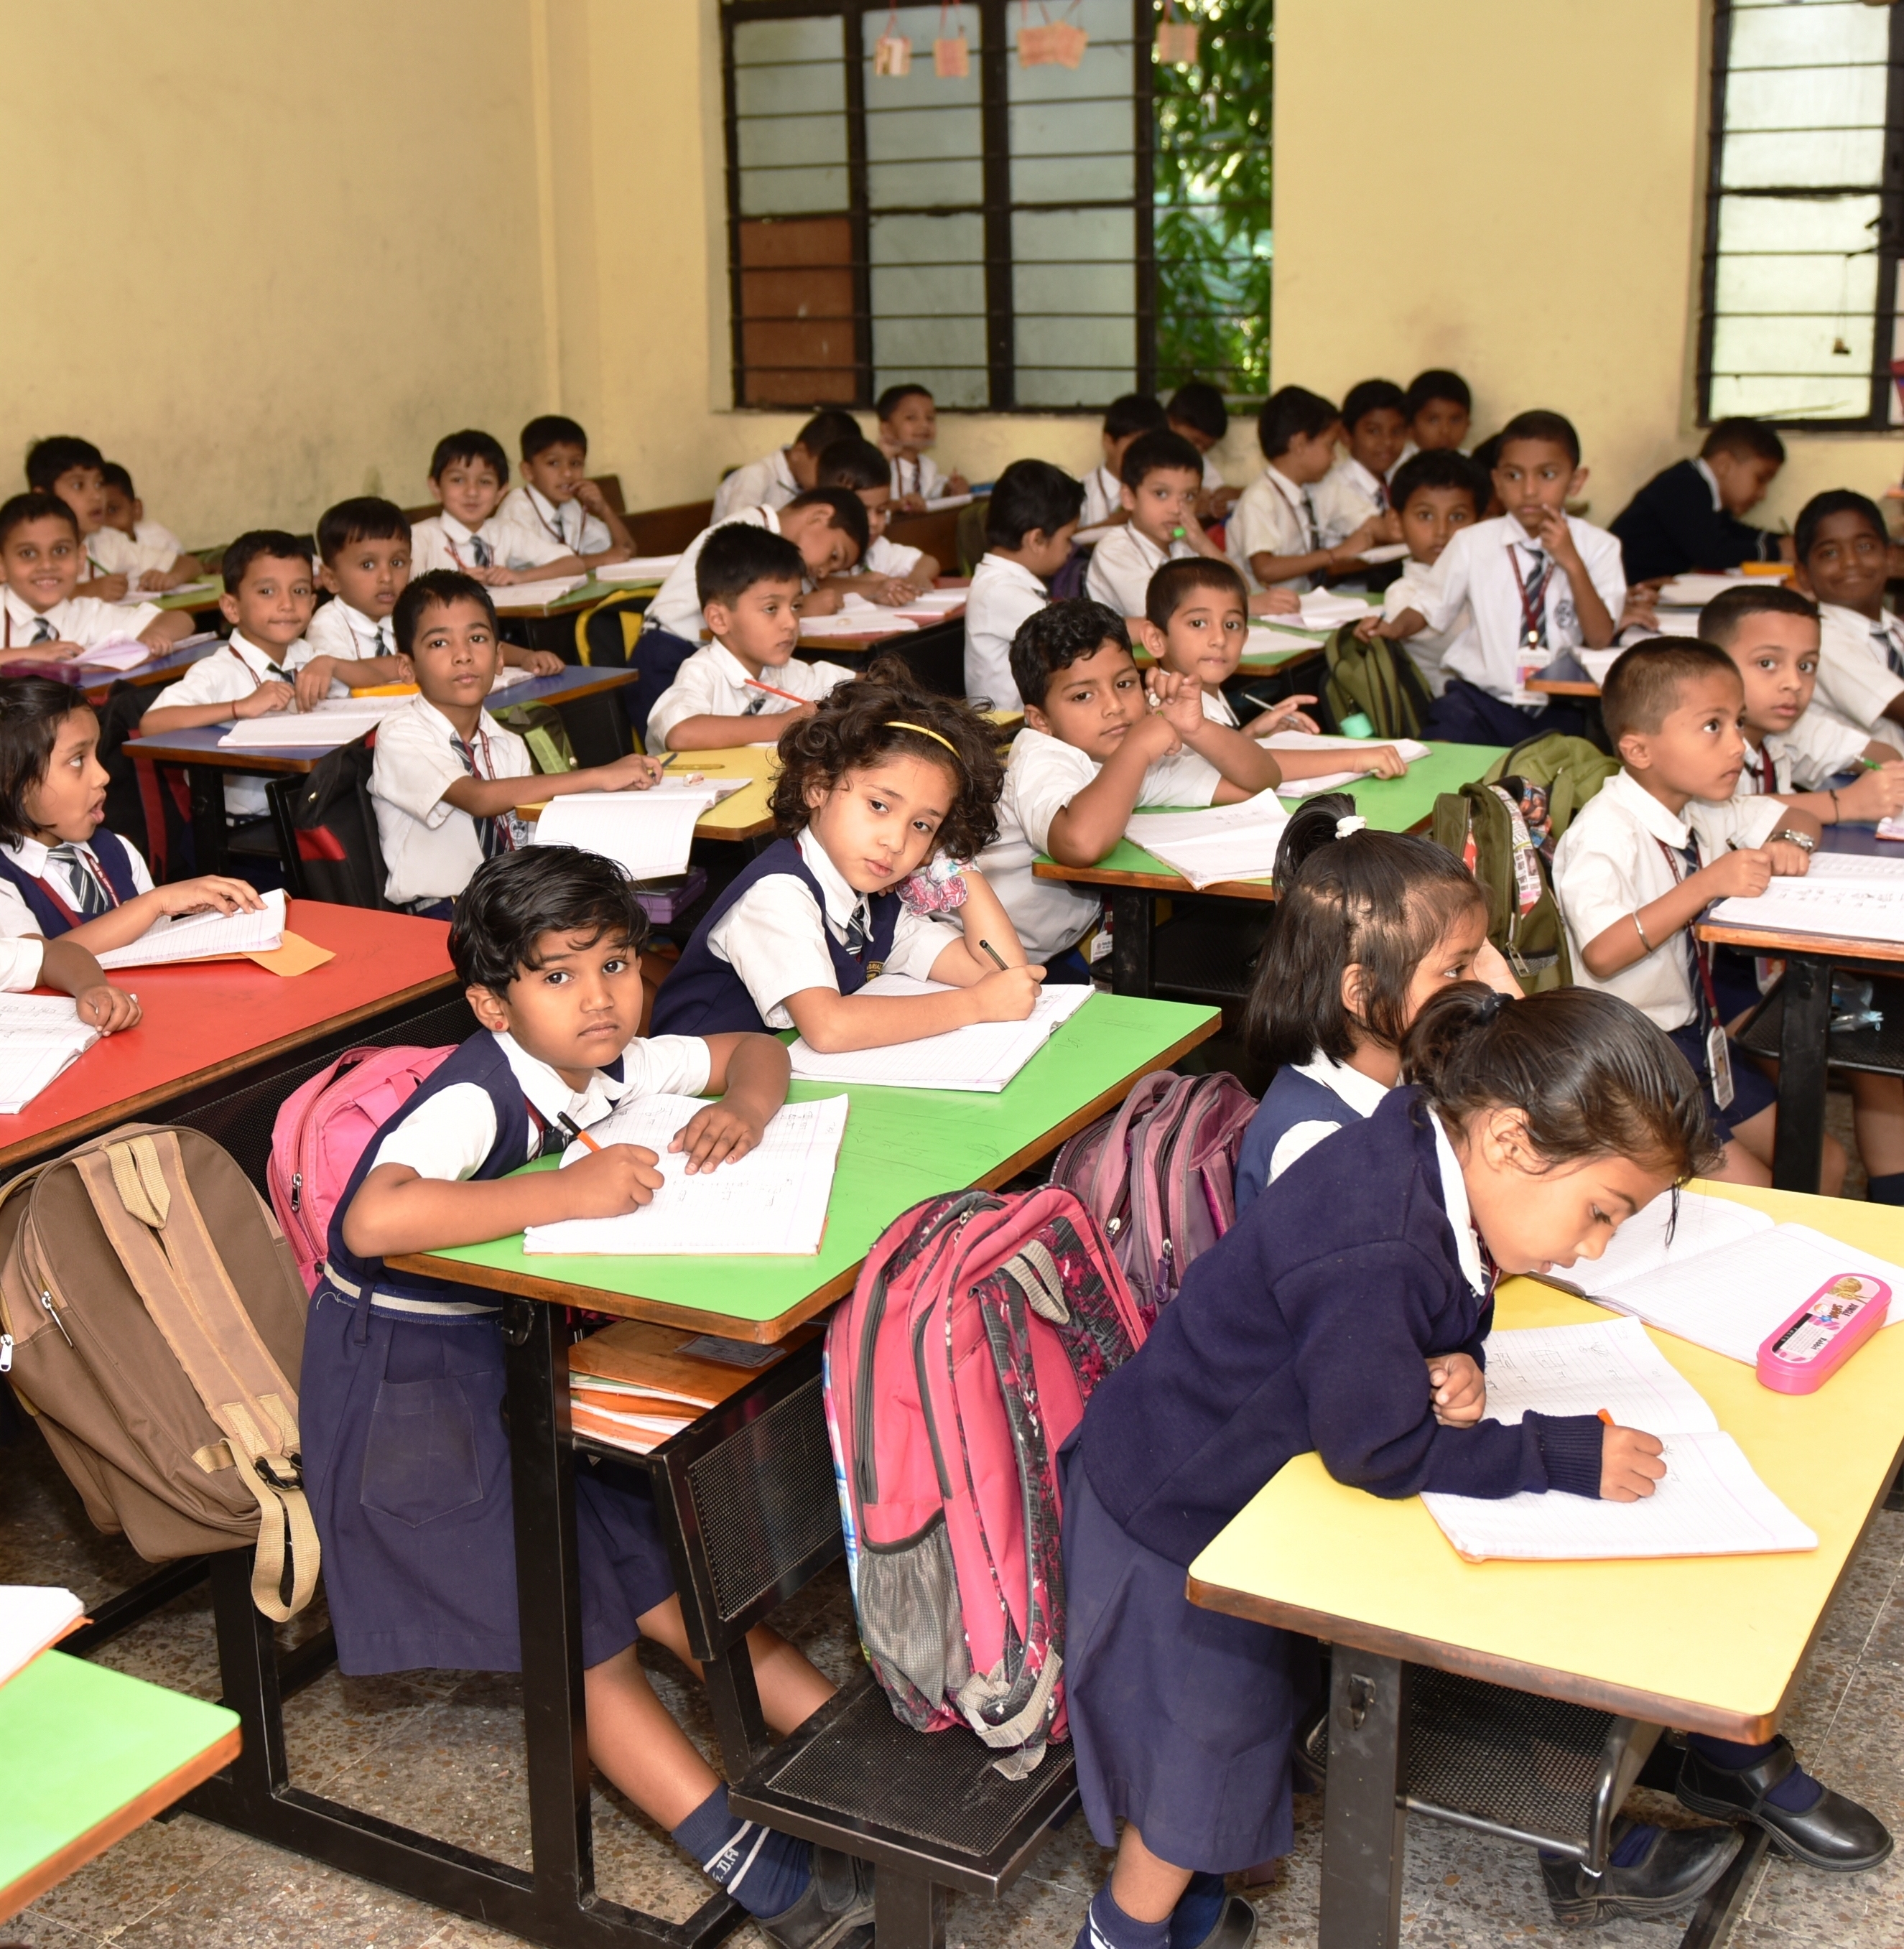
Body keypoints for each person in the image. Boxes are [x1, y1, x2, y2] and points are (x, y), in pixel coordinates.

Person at [1063, 983, 1764, 1943]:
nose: (1593, 1247)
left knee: (1240, 1730)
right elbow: (1377, 1447)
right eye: (1599, 1212)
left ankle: (1190, 1907)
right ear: (1509, 1138)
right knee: (1200, 1754)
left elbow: (1437, 1306)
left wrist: (1456, 1359)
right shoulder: (1380, 1230)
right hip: (1167, 1511)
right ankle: (1119, 1929)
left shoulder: (1425, 1151)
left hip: (1241, 1488)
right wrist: (1557, 1451)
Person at [301, 843, 873, 1949]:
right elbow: (372, 1217)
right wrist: (564, 1192)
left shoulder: (608, 1062)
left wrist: (746, 1112)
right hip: (406, 1393)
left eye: (616, 963)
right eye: (558, 975)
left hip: (515, 1360)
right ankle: (752, 1861)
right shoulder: (475, 1092)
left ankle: (862, 1770)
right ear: (493, 1004)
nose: (599, 996)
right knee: (574, 1625)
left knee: (659, 1563)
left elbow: (753, 1048)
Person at [1551, 641, 1836, 1187]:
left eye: (1738, 723)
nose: (1738, 746)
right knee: (1755, 1191)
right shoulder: (1604, 834)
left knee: (1824, 1163)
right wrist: (1706, 883)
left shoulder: (1699, 806)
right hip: (1631, 1055)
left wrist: (1792, 843)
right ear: (1639, 750)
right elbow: (1603, 953)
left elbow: (1798, 815)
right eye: (1712, 726)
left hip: (1697, 1035)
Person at [651, 661, 1037, 1045]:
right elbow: (829, 1027)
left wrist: (951, 862)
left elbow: (1003, 975)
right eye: (879, 806)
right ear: (818, 787)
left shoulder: (874, 902)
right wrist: (975, 1005)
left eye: (922, 825)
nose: (896, 842)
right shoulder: (776, 895)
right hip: (702, 1081)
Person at [1702, 585, 1904, 1207]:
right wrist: (1838, 802)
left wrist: (1865, 784)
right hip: (1715, 983)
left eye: (1807, 665)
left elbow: (1877, 753)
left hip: (1769, 961)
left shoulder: (1788, 728)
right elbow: (1723, 809)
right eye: (1767, 663)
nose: (1791, 682)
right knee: (1821, 1130)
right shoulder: (1701, 748)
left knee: (1874, 1063)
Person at [1235, 795, 1515, 1206]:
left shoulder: (1408, 1070)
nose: (1482, 989)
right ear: (1362, 993)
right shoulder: (1316, 1144)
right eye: (1456, 970)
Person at [975, 600, 1281, 974]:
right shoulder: (1041, 757)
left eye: (1124, 684)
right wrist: (1136, 749)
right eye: (1083, 696)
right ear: (1041, 721)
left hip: (1053, 952)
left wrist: (1196, 729)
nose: (1115, 707)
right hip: (980, 965)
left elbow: (1255, 783)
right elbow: (1080, 843)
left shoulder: (1120, 757)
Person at [370, 572, 664, 916]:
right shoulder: (401, 732)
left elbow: (529, 832)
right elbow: (478, 799)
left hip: (509, 902)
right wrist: (599, 776)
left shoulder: (507, 742)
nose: (463, 655)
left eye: (477, 638)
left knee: (614, 913)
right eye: (439, 643)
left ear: (499, 658)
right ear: (407, 667)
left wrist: (608, 795)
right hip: (442, 912)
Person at [1377, 410, 1625, 746]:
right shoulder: (1472, 542)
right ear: (1496, 481)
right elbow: (1428, 606)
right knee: (1441, 749)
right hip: (1478, 702)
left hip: (1561, 707)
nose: (1529, 490)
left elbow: (1600, 638)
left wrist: (1572, 564)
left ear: (1576, 480)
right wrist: (1392, 629)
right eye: (1513, 475)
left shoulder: (1599, 547)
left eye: (1547, 475)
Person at [139, 529, 384, 826]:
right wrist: (239, 707)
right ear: (232, 608)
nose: (287, 604)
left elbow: (381, 674)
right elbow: (151, 724)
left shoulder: (306, 655)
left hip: (307, 811)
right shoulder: (218, 671)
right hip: (247, 828)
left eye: (299, 591)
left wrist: (332, 664)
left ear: (312, 602)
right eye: (267, 592)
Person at [0, 674, 262, 949]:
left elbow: (155, 946)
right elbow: (37, 961)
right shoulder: (6, 881)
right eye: (77, 761)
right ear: (12, 782)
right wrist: (155, 903)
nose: (103, 776)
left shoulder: (118, 851)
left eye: (96, 755)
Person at [1140, 558, 1401, 774]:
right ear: (1155, 639)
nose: (1219, 639)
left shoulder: (1207, 693)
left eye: (1231, 625)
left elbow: (1217, 761)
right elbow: (1256, 767)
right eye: (1198, 623)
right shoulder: (1168, 704)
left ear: (1245, 637)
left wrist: (1252, 734)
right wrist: (1354, 759)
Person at [645, 526, 856, 751]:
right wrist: (784, 722)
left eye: (796, 606)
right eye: (771, 608)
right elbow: (681, 734)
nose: (791, 622)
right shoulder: (703, 672)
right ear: (719, 619)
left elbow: (855, 684)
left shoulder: (783, 671)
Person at [1357, 449, 1487, 696]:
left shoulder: (1488, 577)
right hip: (1446, 708)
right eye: (1425, 516)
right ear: (1396, 523)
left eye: (1457, 516)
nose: (1442, 531)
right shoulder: (1404, 596)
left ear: (1482, 524)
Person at [0, 492, 192, 660]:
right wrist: (27, 655)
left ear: (80, 559)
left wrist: (153, 634)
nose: (47, 565)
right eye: (28, 553)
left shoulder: (87, 615)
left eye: (60, 550)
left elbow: (182, 621)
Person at [1225, 388, 1378, 593]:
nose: (1334, 457)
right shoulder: (1260, 498)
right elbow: (1265, 569)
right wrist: (1335, 554)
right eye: (1330, 445)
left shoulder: (1305, 491)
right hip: (1263, 608)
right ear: (1299, 444)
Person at [963, 460, 1083, 710]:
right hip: (1006, 729)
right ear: (1036, 540)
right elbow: (1078, 637)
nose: (1070, 548)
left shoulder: (1002, 581)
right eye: (1068, 538)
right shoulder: (998, 591)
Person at [1609, 419, 1789, 584]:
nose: (1763, 494)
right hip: (1619, 589)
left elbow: (1732, 532)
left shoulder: (1698, 485)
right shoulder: (1684, 486)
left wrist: (1782, 541)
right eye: (1761, 479)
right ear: (1724, 466)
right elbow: (1713, 552)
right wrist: (1776, 551)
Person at [1793, 490, 1904, 739]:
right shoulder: (1819, 643)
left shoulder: (1895, 631)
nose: (1851, 562)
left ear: (1890, 558)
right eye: (1830, 553)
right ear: (1804, 575)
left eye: (1864, 547)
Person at [27, 437, 200, 594]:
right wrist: (86, 591)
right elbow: (25, 596)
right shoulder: (26, 546)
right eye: (79, 486)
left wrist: (171, 578)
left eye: (99, 484)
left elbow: (190, 564)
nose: (97, 495)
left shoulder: (107, 541)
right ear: (43, 497)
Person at [1085, 429, 1209, 625]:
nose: (1177, 509)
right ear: (1128, 497)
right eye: (1161, 494)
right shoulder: (1115, 549)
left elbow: (1238, 589)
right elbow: (1161, 612)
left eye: (1189, 496)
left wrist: (1203, 543)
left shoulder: (1182, 544)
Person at [493, 414, 636, 576]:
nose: (567, 473)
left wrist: (604, 509)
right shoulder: (517, 509)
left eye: (575, 463)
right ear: (528, 471)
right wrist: (601, 559)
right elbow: (539, 570)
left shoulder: (570, 506)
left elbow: (626, 550)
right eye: (553, 463)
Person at [813, 437, 940, 601]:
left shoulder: (877, 549)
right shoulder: (814, 550)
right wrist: (873, 586)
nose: (873, 522)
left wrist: (917, 577)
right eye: (862, 511)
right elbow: (815, 585)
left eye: (881, 511)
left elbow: (928, 561)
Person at [305, 498, 416, 674]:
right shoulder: (327, 625)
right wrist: (421, 665)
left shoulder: (414, 616)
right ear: (331, 579)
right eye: (367, 565)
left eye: (397, 563)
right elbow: (344, 675)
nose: (387, 577)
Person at [1312, 378, 1407, 562]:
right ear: (1346, 436)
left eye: (1396, 431)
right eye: (1374, 431)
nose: (1388, 442)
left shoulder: (1392, 479)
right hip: (1346, 579)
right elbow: (1390, 532)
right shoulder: (1337, 487)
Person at [713, 409, 862, 524]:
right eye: (824, 469)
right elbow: (736, 538)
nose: (828, 479)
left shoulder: (806, 485)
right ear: (799, 452)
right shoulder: (755, 477)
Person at [409, 429, 519, 581]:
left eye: (485, 482)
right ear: (436, 488)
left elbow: (557, 563)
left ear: (500, 492)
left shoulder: (507, 531)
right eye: (458, 480)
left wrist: (519, 576)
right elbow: (404, 592)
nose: (472, 492)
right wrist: (454, 586)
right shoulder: (418, 538)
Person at [98, 461, 201, 586]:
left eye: (113, 510)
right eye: (96, 513)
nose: (105, 522)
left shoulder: (158, 538)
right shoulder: (96, 547)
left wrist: (171, 578)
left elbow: (190, 565)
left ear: (136, 509)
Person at [1080, 394, 1170, 529]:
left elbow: (1179, 533)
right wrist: (1110, 526)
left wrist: (1179, 532)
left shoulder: (1169, 491)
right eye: (1135, 445)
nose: (1144, 456)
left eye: (1153, 448)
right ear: (1109, 442)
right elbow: (1063, 540)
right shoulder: (1079, 496)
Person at [875, 385, 968, 509]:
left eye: (930, 418)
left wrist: (951, 489)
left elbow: (935, 493)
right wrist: (900, 506)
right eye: (911, 418)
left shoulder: (928, 466)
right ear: (886, 428)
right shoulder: (878, 466)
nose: (924, 425)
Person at [1165, 381, 1236, 516]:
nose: (1199, 450)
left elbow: (1219, 493)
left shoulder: (1198, 460)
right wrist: (1190, 505)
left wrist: (1221, 501)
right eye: (1194, 441)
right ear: (1171, 422)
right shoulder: (1144, 456)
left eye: (1207, 447)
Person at [1401, 368, 1473, 457]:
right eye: (1433, 420)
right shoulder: (1396, 463)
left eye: (1455, 420)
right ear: (1410, 428)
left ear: (1468, 425)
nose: (1445, 431)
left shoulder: (1472, 462)